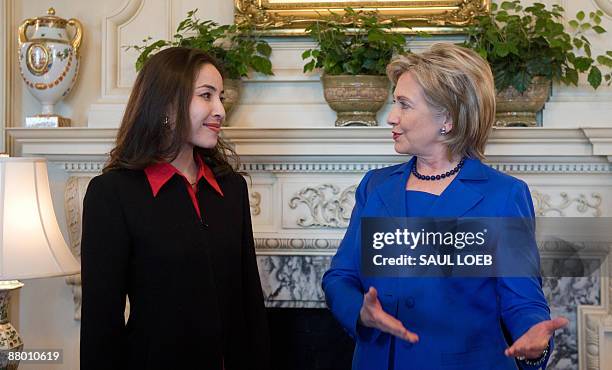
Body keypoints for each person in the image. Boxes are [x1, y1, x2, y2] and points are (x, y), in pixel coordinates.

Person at [322, 43, 568, 370]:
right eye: (394, 103)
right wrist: (360, 312)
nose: (391, 117)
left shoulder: (504, 196)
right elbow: (340, 277)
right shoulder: (375, 186)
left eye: (404, 105)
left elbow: (522, 302)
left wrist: (533, 337)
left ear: (447, 119)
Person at [80, 47, 270, 370]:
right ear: (167, 104)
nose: (220, 110)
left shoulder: (232, 189)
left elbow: (251, 304)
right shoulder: (111, 194)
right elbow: (101, 325)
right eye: (206, 96)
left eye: (220, 97)